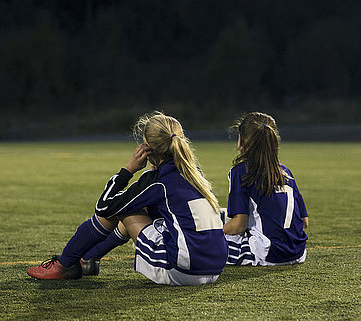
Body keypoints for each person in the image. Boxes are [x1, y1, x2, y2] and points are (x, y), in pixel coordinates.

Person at [27, 111, 228, 285]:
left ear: (147, 148)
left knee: (125, 209)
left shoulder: (157, 181)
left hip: (184, 270)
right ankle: (88, 260)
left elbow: (104, 207)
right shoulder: (195, 172)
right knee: (144, 208)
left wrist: (127, 171)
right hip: (214, 268)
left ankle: (63, 264)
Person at [223, 112, 309, 266]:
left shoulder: (241, 171)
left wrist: (214, 232)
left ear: (241, 140)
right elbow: (304, 221)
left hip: (268, 253)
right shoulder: (285, 172)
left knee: (207, 241)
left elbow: (239, 225)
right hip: (298, 252)